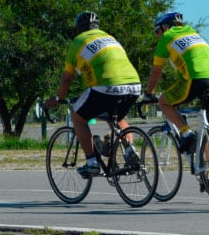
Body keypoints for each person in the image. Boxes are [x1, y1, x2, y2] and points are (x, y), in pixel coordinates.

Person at [45, 11, 142, 178]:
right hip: (134, 85)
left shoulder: (78, 41)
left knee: (77, 116)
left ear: (78, 29)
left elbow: (67, 78)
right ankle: (130, 150)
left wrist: (58, 98)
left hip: (105, 86)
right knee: (117, 118)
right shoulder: (109, 37)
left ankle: (92, 163)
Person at [142, 11, 209, 188]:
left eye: (156, 32)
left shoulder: (167, 37)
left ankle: (186, 133)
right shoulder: (194, 33)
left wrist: (149, 93)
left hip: (197, 76)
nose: (157, 36)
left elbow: (156, 71)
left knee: (164, 101)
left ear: (164, 28)